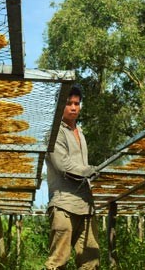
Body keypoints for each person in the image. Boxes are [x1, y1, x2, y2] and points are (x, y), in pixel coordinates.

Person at [44, 84, 100, 269]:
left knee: (90, 261)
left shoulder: (81, 133)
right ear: (60, 105)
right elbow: (63, 165)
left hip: (86, 206)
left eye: (77, 103)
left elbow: (83, 168)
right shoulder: (53, 133)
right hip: (64, 205)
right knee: (58, 261)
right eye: (69, 103)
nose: (74, 107)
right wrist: (88, 171)